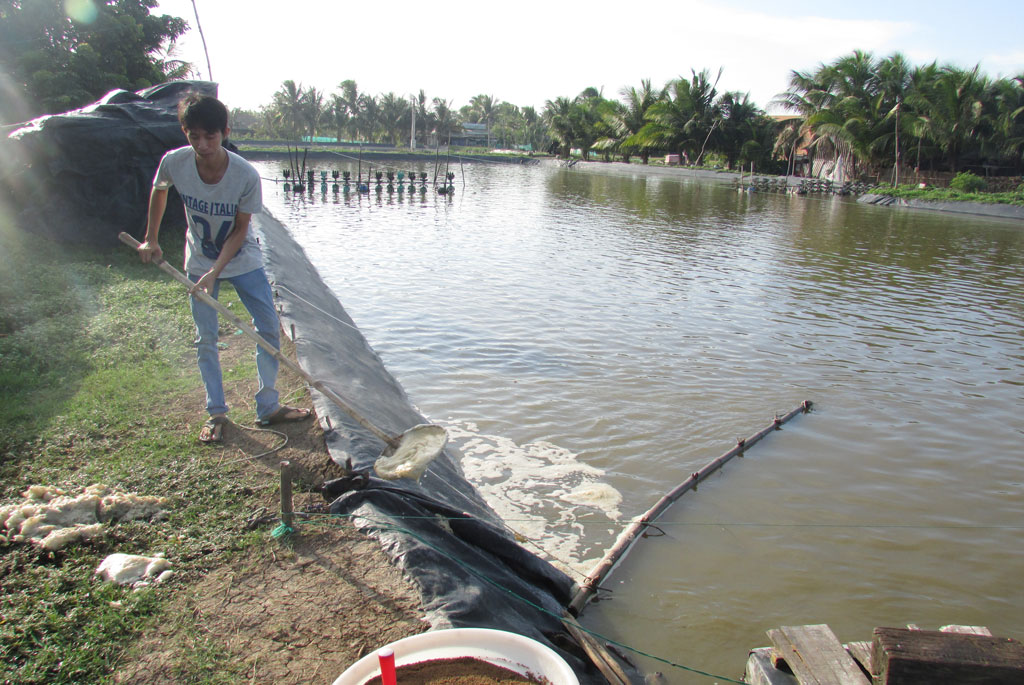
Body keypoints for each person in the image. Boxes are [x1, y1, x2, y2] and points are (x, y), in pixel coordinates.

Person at [137, 94, 310, 443]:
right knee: (206, 338)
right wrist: (150, 238)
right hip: (198, 258)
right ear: (185, 132)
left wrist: (216, 271)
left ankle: (268, 406)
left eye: (210, 137)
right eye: (194, 136)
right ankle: (216, 412)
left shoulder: (245, 175)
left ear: (225, 132)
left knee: (267, 331)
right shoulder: (174, 162)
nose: (202, 145)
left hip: (242, 259)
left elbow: (241, 229)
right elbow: (159, 190)